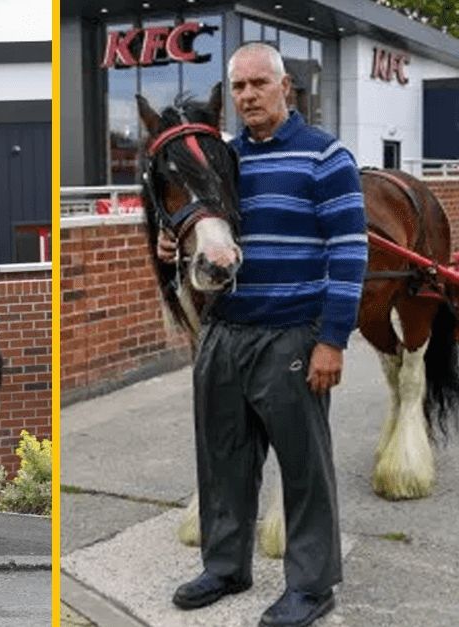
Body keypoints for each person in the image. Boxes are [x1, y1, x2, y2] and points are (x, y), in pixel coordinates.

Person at [160, 42, 367, 627]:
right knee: (222, 461)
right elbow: (198, 229)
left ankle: (312, 584)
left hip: (291, 337)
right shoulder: (219, 161)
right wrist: (173, 245)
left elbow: (350, 253)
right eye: (239, 87)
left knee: (303, 468)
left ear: (285, 89)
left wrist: (332, 340)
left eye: (259, 84)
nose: (248, 96)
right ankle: (226, 567)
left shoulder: (326, 157)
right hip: (225, 331)